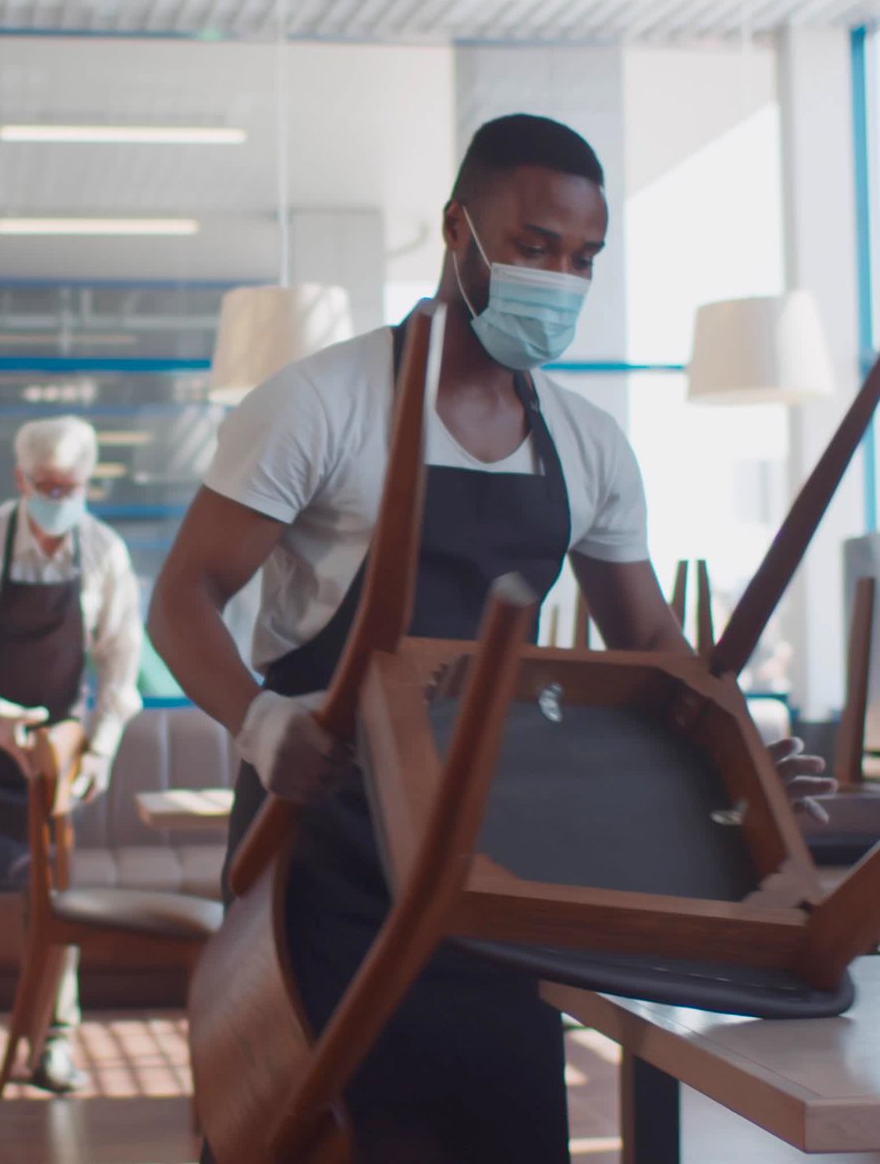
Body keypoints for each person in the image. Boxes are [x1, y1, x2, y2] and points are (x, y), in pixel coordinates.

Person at [149, 115, 833, 1162]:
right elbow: (182, 599)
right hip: (324, 854)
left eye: (583, 258)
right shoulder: (319, 405)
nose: (561, 276)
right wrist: (257, 718)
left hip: (498, 872)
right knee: (311, 1135)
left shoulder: (588, 443)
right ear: (456, 230)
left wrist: (737, 742)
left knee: (501, 1131)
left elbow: (650, 646)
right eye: (533, 245)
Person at [0, 415, 143, 1103]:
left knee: (54, 902)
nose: (57, 497)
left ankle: (55, 1043)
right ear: (19, 480)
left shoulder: (103, 553)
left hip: (56, 754)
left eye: (69, 486)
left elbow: (120, 665)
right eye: (44, 485)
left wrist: (98, 748)